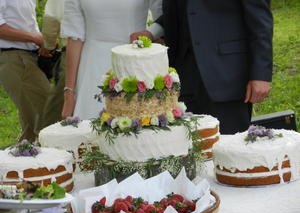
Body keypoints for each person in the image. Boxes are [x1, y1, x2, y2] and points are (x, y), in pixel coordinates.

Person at [131, 0, 273, 134]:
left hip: (226, 72)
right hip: (182, 75)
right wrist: (151, 32)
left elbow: (260, 21)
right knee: (187, 148)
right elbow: (178, 11)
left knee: (229, 148)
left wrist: (261, 75)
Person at [61, 0, 162, 120]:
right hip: (90, 69)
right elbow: (74, 37)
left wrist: (150, 34)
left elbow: (164, 17)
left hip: (133, 63)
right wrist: (69, 93)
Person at [0, 0, 50, 142]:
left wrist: (42, 41)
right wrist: (34, 38)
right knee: (47, 113)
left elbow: (25, 23)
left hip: (28, 56)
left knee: (31, 121)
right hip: (14, 58)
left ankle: (25, 157)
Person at [39, 0, 66, 128]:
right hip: (116, 51)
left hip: (72, 52)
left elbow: (51, 23)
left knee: (57, 104)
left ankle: (45, 141)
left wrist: (48, 46)